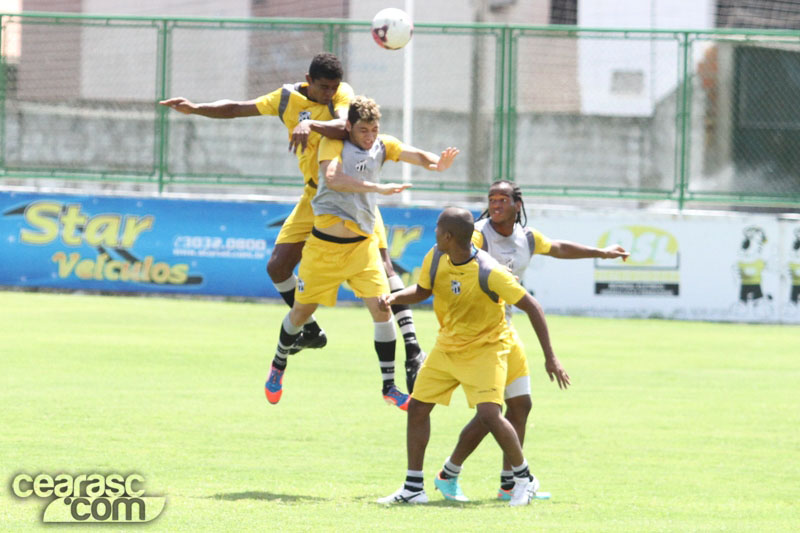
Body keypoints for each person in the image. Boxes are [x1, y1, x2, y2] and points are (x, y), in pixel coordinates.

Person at [159, 53, 428, 388]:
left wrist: (310, 123)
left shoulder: (344, 95)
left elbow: (345, 125)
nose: (330, 93)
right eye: (324, 87)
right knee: (277, 267)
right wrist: (196, 108)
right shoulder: (285, 98)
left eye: (333, 87)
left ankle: (413, 347)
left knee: (386, 268)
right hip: (313, 196)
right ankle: (310, 330)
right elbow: (238, 108)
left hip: (352, 196)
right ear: (308, 79)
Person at [432, 179, 629, 502]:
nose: (496, 205)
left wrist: (602, 253)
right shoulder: (478, 234)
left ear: (517, 205)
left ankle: (508, 483)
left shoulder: (527, 237)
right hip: (479, 335)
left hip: (505, 330)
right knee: (490, 411)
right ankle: (450, 473)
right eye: (492, 199)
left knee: (520, 404)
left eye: (503, 199)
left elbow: (559, 248)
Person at [264, 95, 459, 410]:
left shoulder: (383, 145)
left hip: (362, 249)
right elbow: (333, 179)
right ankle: (278, 364)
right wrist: (377, 189)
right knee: (300, 314)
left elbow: (418, 156)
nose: (370, 137)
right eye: (364, 131)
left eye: (374, 130)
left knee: (382, 311)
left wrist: (438, 163)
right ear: (349, 127)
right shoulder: (333, 144)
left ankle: (389, 387)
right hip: (324, 249)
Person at [377, 207, 569, 506]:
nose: (435, 235)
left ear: (449, 236)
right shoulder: (437, 256)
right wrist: (395, 297)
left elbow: (533, 307)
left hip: (485, 349)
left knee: (491, 415)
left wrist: (551, 357)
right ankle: (414, 487)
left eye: (438, 231)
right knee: (417, 408)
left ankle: (525, 479)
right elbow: (423, 290)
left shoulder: (489, 272)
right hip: (446, 348)